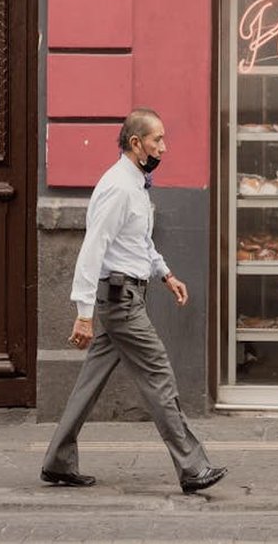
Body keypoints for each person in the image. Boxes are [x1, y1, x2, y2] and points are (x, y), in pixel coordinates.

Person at [40, 109, 227, 494]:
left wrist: (166, 274)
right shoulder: (118, 188)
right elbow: (93, 248)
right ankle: (193, 466)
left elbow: (138, 242)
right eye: (158, 140)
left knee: (89, 382)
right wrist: (83, 313)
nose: (164, 147)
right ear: (136, 143)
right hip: (121, 301)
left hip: (126, 295)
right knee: (159, 374)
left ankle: (58, 461)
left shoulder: (135, 185)